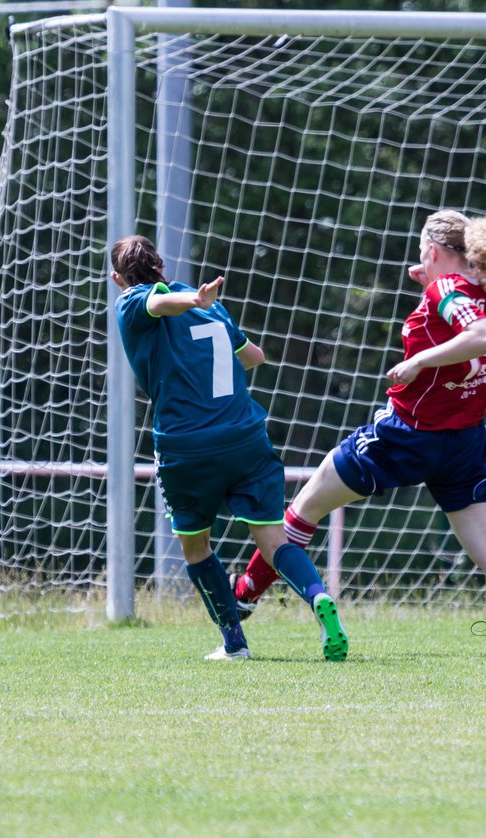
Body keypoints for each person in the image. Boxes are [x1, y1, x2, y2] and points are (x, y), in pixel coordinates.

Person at [232, 209, 486, 657]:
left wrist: (418, 360)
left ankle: (243, 596)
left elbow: (479, 335)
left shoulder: (447, 289)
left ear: (433, 251)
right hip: (463, 440)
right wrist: (430, 285)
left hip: (404, 434)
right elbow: (477, 309)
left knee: (303, 510)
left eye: (422, 253)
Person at [110, 234, 349, 661]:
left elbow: (156, 305)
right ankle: (318, 598)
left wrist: (190, 305)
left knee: (195, 546)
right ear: (162, 265)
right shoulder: (213, 308)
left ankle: (234, 644)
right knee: (274, 539)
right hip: (246, 436)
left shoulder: (132, 301)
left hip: (188, 445)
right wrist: (201, 312)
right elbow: (254, 355)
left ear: (117, 279)